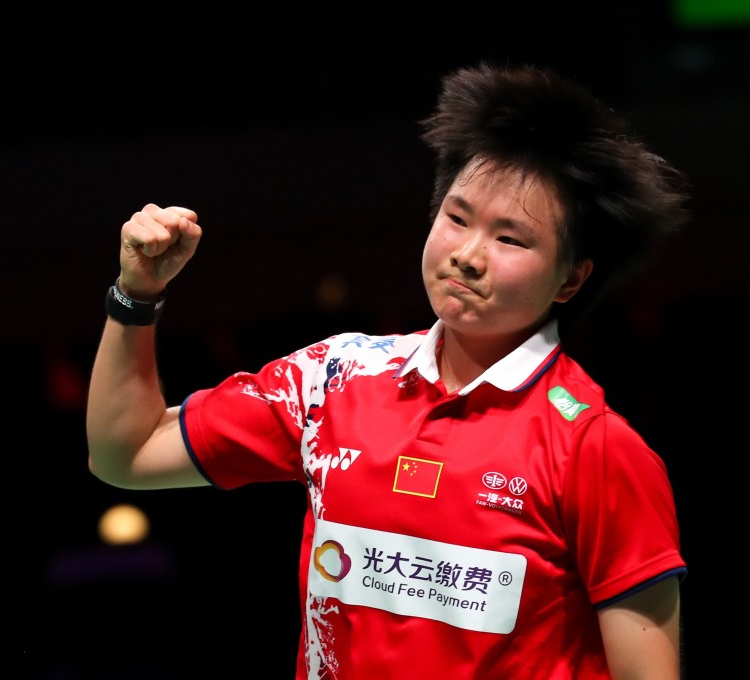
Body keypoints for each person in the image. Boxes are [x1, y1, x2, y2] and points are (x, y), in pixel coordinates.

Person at [86, 61, 691, 679]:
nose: (468, 255)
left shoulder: (594, 447)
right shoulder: (333, 381)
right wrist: (137, 296)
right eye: (457, 218)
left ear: (571, 277)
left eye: (511, 239)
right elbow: (125, 454)